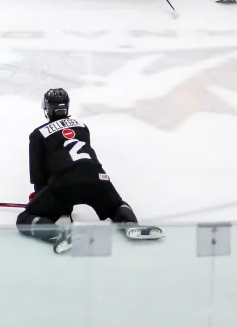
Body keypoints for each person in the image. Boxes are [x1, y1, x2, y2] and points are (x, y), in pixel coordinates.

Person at [17, 89, 163, 254]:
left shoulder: (38, 134)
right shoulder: (82, 127)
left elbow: (39, 175)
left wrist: (40, 199)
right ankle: (130, 225)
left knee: (24, 219)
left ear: (48, 108)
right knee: (117, 205)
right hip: (97, 178)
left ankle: (59, 233)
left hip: (64, 183)